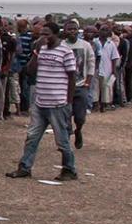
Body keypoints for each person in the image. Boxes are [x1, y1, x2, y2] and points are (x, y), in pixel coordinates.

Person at [6, 20, 79, 181]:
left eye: (47, 34)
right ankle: (25, 167)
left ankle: (69, 169)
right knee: (32, 136)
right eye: (42, 34)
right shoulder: (42, 49)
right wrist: (36, 52)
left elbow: (72, 77)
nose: (43, 37)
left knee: (62, 140)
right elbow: (30, 70)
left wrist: (68, 101)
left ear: (55, 34)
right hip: (40, 102)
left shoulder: (65, 52)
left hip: (58, 103)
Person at [61, 20, 94, 149]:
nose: (72, 31)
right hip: (65, 87)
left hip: (81, 86)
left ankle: (78, 130)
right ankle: (66, 142)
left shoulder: (85, 45)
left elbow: (91, 63)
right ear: (65, 31)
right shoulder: (61, 46)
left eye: (74, 29)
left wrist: (88, 82)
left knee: (80, 117)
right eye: (69, 29)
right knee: (65, 115)